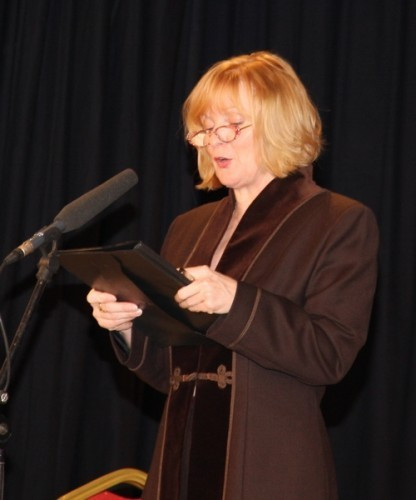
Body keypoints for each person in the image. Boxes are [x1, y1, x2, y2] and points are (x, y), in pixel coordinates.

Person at [87, 51, 378, 499]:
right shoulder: (189, 228)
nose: (213, 141)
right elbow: (172, 374)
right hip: (179, 468)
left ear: (280, 123)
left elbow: (330, 354)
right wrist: (126, 325)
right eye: (204, 129)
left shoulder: (338, 221)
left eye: (231, 125)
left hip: (271, 473)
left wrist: (236, 302)